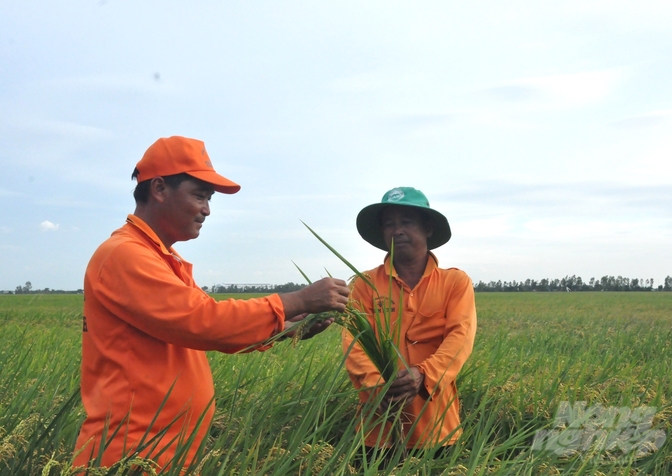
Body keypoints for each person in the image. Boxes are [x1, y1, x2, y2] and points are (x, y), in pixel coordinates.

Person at [73, 136, 350, 471]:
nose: (206, 209)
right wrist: (297, 299)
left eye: (209, 199)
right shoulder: (125, 255)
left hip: (163, 452)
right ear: (159, 189)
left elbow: (212, 330)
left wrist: (286, 330)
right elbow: (203, 320)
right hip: (130, 452)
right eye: (200, 196)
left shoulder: (164, 258)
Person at [342, 186, 476, 455]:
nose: (397, 230)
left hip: (437, 426)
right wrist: (377, 386)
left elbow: (460, 337)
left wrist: (424, 374)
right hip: (377, 426)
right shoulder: (364, 284)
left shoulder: (455, 283)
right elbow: (352, 343)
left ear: (427, 228)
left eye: (406, 222)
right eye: (389, 224)